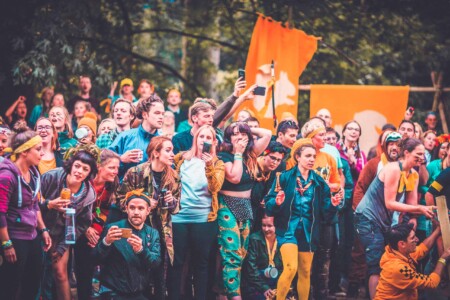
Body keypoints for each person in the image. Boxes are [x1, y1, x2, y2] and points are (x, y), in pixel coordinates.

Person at [355, 138, 435, 299]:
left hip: (383, 222)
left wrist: (420, 214)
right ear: (406, 153)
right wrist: (420, 209)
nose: (422, 158)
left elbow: (412, 204)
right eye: (418, 154)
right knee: (376, 265)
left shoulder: (413, 173)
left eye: (423, 154)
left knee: (387, 260)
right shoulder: (393, 169)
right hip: (367, 219)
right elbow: (390, 203)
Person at [265, 139, 341, 300]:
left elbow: (326, 215)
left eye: (313, 156)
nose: (312, 159)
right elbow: (269, 206)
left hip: (309, 231)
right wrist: (277, 202)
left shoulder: (320, 183)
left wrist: (333, 205)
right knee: (291, 268)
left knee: (305, 272)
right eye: (308, 156)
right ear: (298, 157)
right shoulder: (284, 177)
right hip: (288, 230)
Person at [118, 136, 180, 299]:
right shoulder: (135, 172)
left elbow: (177, 208)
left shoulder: (173, 175)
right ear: (156, 153)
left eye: (172, 150)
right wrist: (142, 202)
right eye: (168, 150)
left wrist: (172, 202)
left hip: (163, 231)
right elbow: (119, 199)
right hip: (138, 229)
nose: (173, 154)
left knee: (161, 274)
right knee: (138, 272)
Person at [217, 121, 272, 299]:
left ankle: (226, 292)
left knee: (241, 254)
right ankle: (234, 296)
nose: (239, 137)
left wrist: (244, 128)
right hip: (226, 205)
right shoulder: (224, 156)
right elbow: (234, 177)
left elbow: (267, 134)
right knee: (231, 253)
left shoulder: (251, 154)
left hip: (246, 206)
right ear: (228, 138)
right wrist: (238, 153)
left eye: (243, 135)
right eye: (234, 134)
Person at [169, 125, 225, 300]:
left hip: (204, 219)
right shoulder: (181, 159)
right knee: (177, 263)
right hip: (179, 217)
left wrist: (208, 165)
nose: (204, 140)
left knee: (201, 264)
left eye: (209, 137)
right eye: (201, 136)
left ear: (214, 142)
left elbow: (215, 187)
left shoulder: (217, 163)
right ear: (195, 139)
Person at [0, 125, 51, 299]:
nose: (42, 153)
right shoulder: (7, 176)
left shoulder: (34, 173)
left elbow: (34, 205)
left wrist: (43, 229)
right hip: (14, 237)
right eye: (38, 149)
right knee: (11, 285)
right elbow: (0, 213)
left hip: (32, 236)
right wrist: (6, 244)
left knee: (32, 282)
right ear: (24, 152)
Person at [40, 146, 98, 300]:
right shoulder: (52, 177)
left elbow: (82, 224)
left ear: (89, 173)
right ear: (71, 165)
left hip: (62, 235)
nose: (79, 171)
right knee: (37, 272)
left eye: (85, 169)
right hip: (39, 228)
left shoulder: (88, 194)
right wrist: (50, 204)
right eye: (77, 166)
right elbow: (33, 201)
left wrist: (62, 247)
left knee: (60, 273)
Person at [348, 131, 402, 295]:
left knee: (387, 257)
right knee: (361, 253)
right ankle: (353, 287)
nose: (394, 147)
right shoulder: (374, 164)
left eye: (398, 144)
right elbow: (360, 188)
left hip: (392, 220)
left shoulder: (406, 167)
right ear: (384, 146)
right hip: (368, 218)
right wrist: (360, 213)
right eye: (390, 144)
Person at [93, 189, 161, 300]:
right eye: (132, 207)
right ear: (126, 209)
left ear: (148, 211)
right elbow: (95, 260)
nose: (136, 212)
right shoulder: (113, 229)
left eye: (141, 208)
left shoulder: (152, 233)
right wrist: (106, 242)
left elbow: (155, 263)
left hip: (138, 293)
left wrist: (141, 251)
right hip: (112, 292)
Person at [74, 149, 120, 300]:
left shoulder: (111, 185)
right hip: (76, 227)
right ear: (100, 167)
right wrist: (86, 228)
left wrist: (96, 231)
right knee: (83, 265)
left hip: (97, 229)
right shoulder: (85, 182)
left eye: (117, 168)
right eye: (112, 167)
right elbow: (74, 209)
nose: (115, 171)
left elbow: (104, 211)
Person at [374, 223, 450, 300]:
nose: (417, 239)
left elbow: (421, 249)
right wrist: (443, 259)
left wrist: (437, 230)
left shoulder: (395, 250)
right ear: (402, 244)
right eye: (413, 238)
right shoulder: (398, 268)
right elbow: (431, 283)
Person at [108, 94, 164, 180]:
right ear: (145, 115)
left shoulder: (163, 143)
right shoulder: (125, 136)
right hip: (124, 191)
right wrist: (121, 159)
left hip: (153, 192)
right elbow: (104, 161)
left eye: (162, 114)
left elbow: (169, 172)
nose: (161, 117)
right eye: (157, 113)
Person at [241, 215, 283, 300]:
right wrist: (264, 288)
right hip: (257, 283)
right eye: (264, 225)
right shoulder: (254, 239)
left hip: (276, 282)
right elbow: (251, 269)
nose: (266, 229)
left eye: (270, 226)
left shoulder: (283, 240)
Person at [251, 141, 287, 232]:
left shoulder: (280, 167)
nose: (275, 162)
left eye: (278, 160)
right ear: (265, 154)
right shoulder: (252, 166)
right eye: (272, 158)